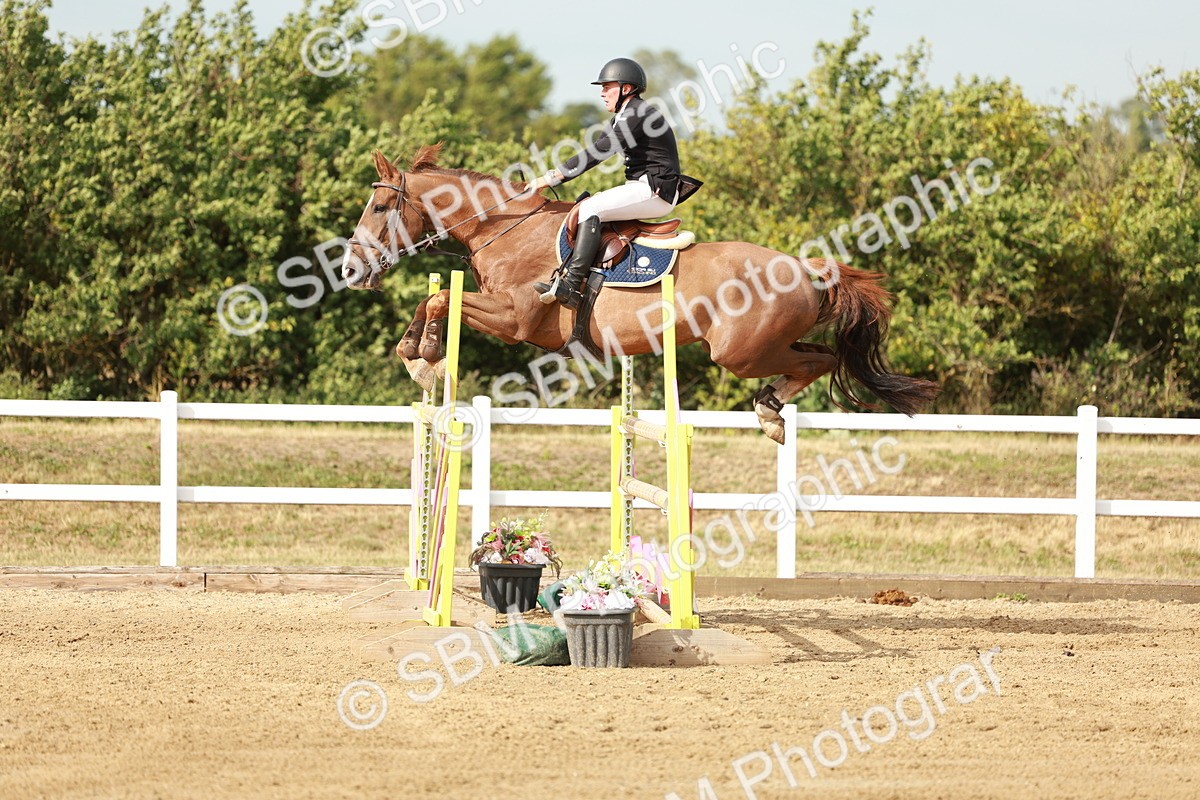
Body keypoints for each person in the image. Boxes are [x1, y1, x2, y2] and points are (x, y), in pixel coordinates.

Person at [529, 57, 698, 309]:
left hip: (654, 189)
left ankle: (572, 285)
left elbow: (600, 151)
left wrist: (551, 177)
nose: (602, 93)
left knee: (590, 209)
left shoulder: (638, 113)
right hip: (642, 187)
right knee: (586, 206)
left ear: (626, 88)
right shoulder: (622, 116)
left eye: (607, 87)